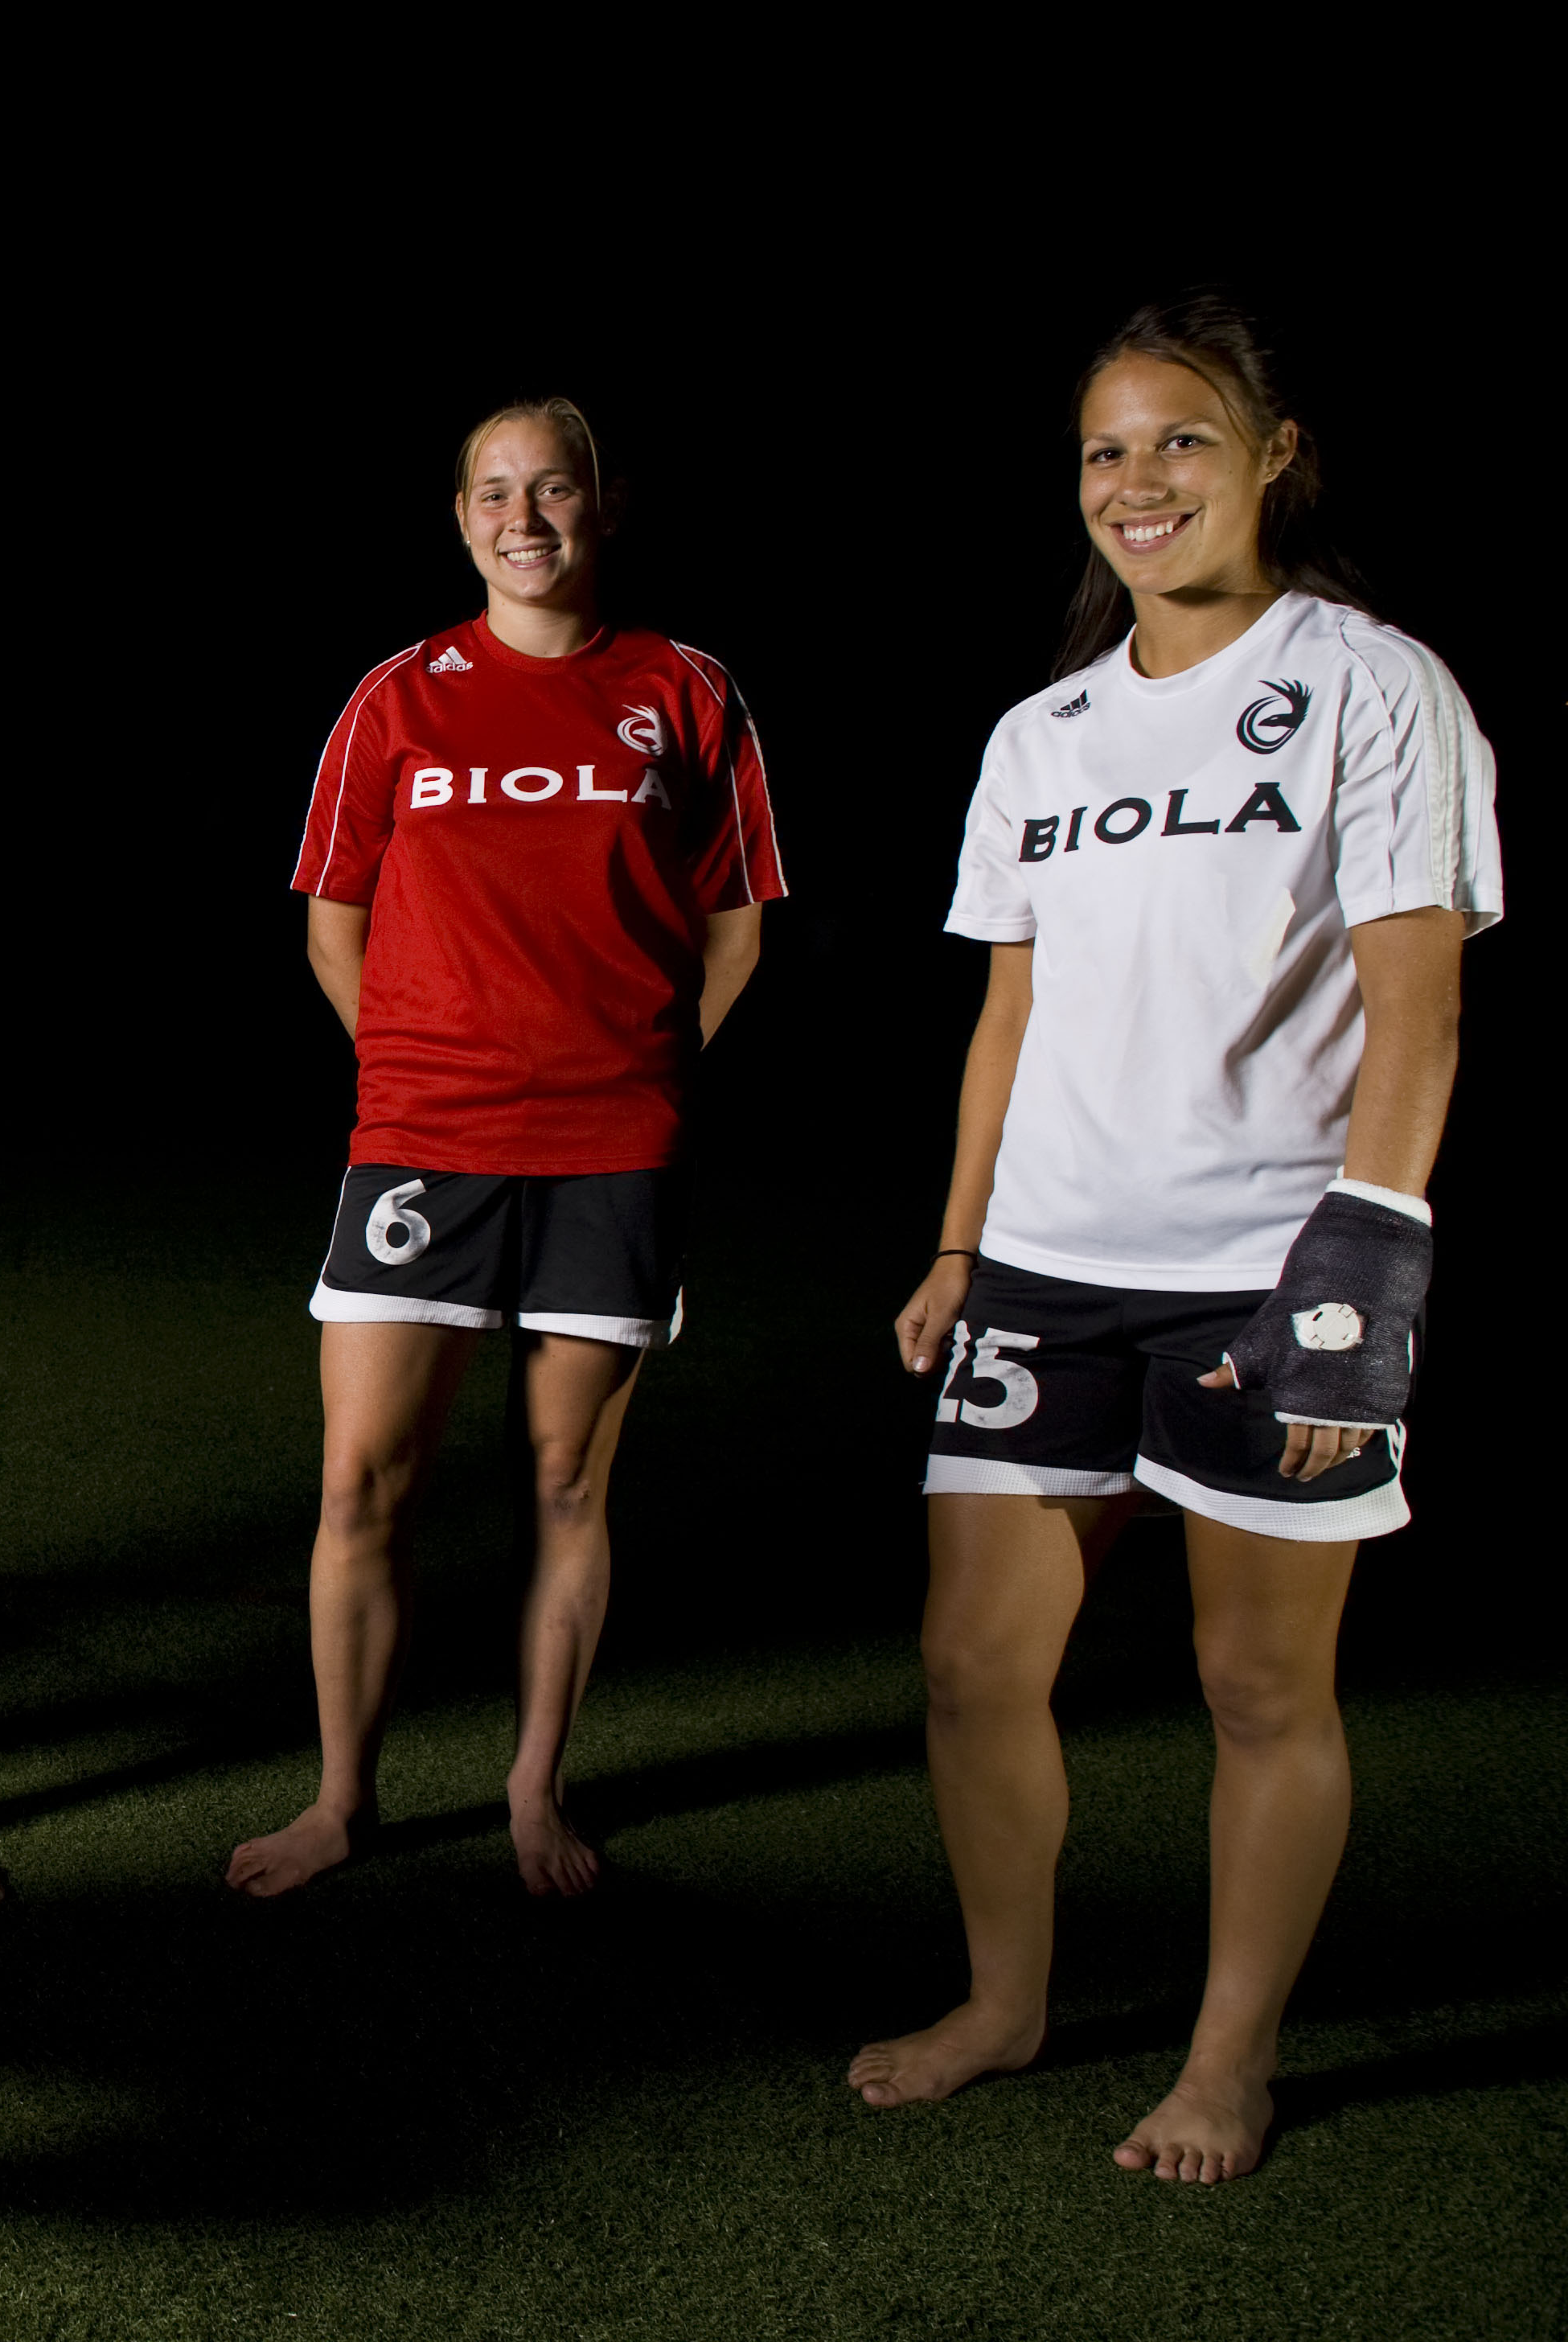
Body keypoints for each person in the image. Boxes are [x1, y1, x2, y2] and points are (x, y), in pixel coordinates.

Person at [849, 296, 1499, 2184]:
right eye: (1104, 453)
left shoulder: (1374, 684)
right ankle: (1006, 2000)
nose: (1136, 484)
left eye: (1181, 442)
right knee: (975, 1667)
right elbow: (1009, 1018)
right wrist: (963, 1245)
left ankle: (1229, 2061)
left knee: (1258, 1687)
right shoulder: (1040, 733)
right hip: (1050, 1262)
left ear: (1272, 453)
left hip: (1273, 1265)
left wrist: (1366, 1273)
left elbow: (1418, 1010)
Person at [227, 398, 783, 1901]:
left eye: (552, 487)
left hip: (617, 1147)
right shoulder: (397, 698)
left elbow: (737, 919)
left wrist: (641, 1071)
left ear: (605, 503)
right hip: (423, 1139)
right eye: (493, 493)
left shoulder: (684, 690)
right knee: (361, 1484)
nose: (523, 516)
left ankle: (536, 1790)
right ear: (461, 518)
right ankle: (343, 1801)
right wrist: (422, 1060)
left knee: (565, 1483)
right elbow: (331, 918)